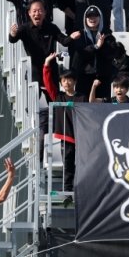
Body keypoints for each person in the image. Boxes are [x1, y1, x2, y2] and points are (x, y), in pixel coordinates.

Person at [43, 54, 87, 191]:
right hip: (66, 135)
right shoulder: (58, 97)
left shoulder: (82, 97)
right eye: (64, 80)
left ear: (74, 81)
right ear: (61, 83)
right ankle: (68, 191)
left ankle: (81, 190)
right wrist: (47, 63)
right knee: (67, 164)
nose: (67, 83)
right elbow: (48, 82)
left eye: (69, 80)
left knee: (82, 164)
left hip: (81, 137)